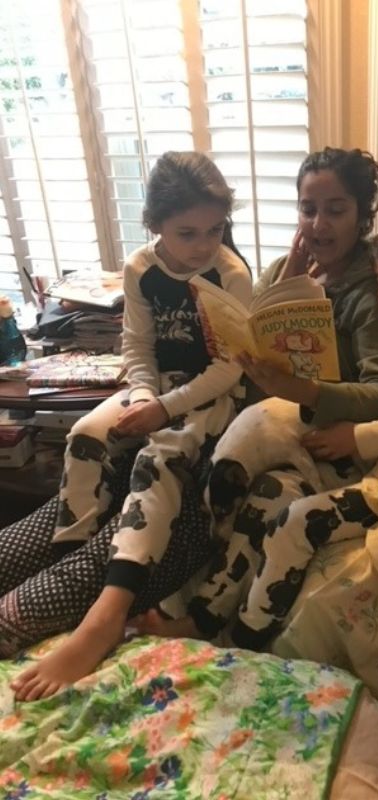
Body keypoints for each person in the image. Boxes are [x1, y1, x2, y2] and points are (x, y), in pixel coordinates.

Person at [135, 214, 378, 649]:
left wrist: (356, 437)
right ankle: (205, 618)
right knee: (270, 494)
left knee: (297, 520)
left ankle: (247, 639)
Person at [131, 147, 378, 645]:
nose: (319, 224)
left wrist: (303, 390)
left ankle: (216, 630)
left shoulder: (373, 290)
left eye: (336, 209)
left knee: (268, 498)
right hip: (260, 419)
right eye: (308, 209)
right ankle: (173, 602)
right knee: (193, 470)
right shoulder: (289, 263)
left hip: (324, 442)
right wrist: (288, 282)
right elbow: (248, 329)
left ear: (363, 213)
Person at [10, 150, 252, 700]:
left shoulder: (230, 273)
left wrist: (162, 412)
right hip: (156, 385)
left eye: (215, 230)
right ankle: (75, 547)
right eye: (187, 232)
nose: (203, 244)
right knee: (86, 437)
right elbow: (136, 346)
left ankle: (105, 613)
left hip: (212, 393)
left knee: (157, 458)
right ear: (155, 226)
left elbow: (230, 367)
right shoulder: (142, 268)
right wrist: (142, 397)